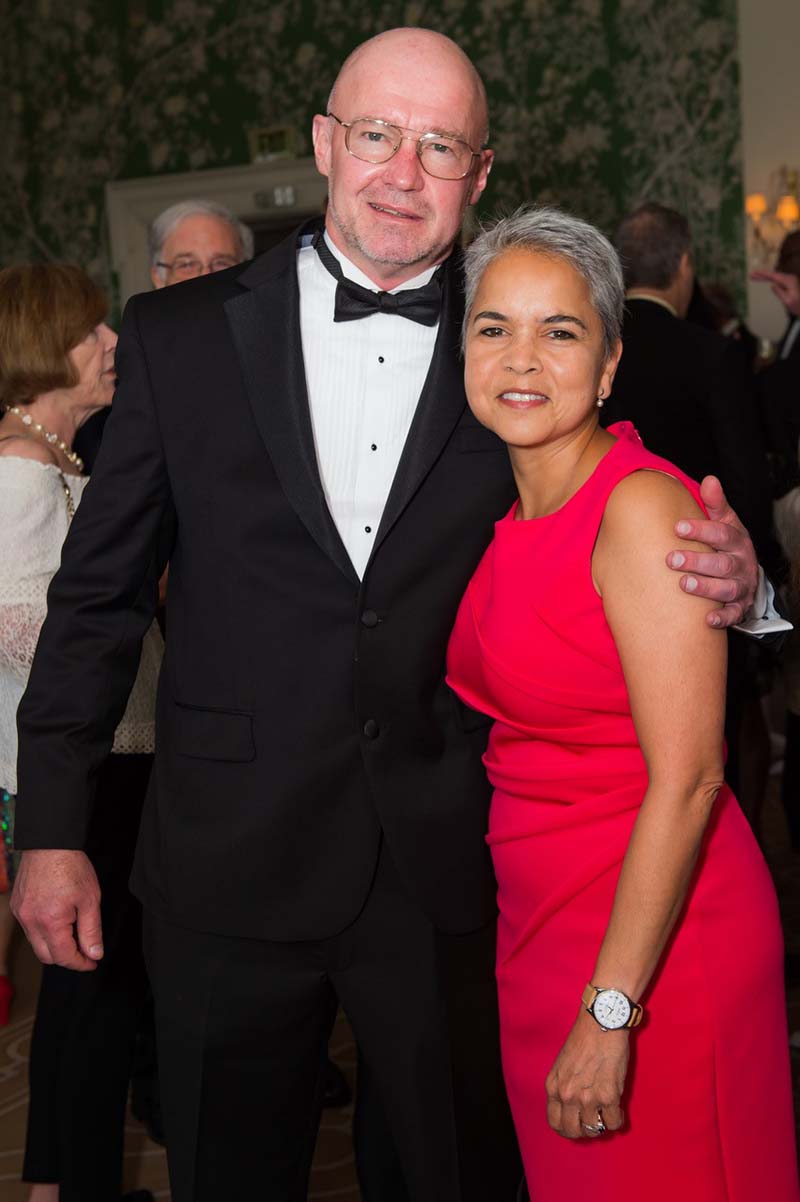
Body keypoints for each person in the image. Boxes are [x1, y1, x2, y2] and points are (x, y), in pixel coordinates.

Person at [10, 29, 766, 1202]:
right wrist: (52, 825)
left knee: (451, 1173)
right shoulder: (179, 337)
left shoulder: (512, 336)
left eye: (438, 145)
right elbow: (95, 598)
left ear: (478, 169)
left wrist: (747, 585)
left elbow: (622, 512)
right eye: (375, 135)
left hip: (443, 862)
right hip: (225, 859)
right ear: (324, 144)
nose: (401, 172)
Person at [447, 206, 798, 1202]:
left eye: (558, 331)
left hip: (654, 942)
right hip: (540, 925)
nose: (521, 357)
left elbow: (688, 779)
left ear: (606, 366)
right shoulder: (504, 506)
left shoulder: (639, 508)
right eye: (492, 326)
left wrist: (610, 1009)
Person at [0, 264, 162, 1202]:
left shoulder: (63, 463)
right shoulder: (20, 476)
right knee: (94, 998)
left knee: (81, 998)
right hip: (80, 779)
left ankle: (57, 1186)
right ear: (42, 349)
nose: (111, 346)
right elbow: (27, 634)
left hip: (113, 764)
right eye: (92, 332)